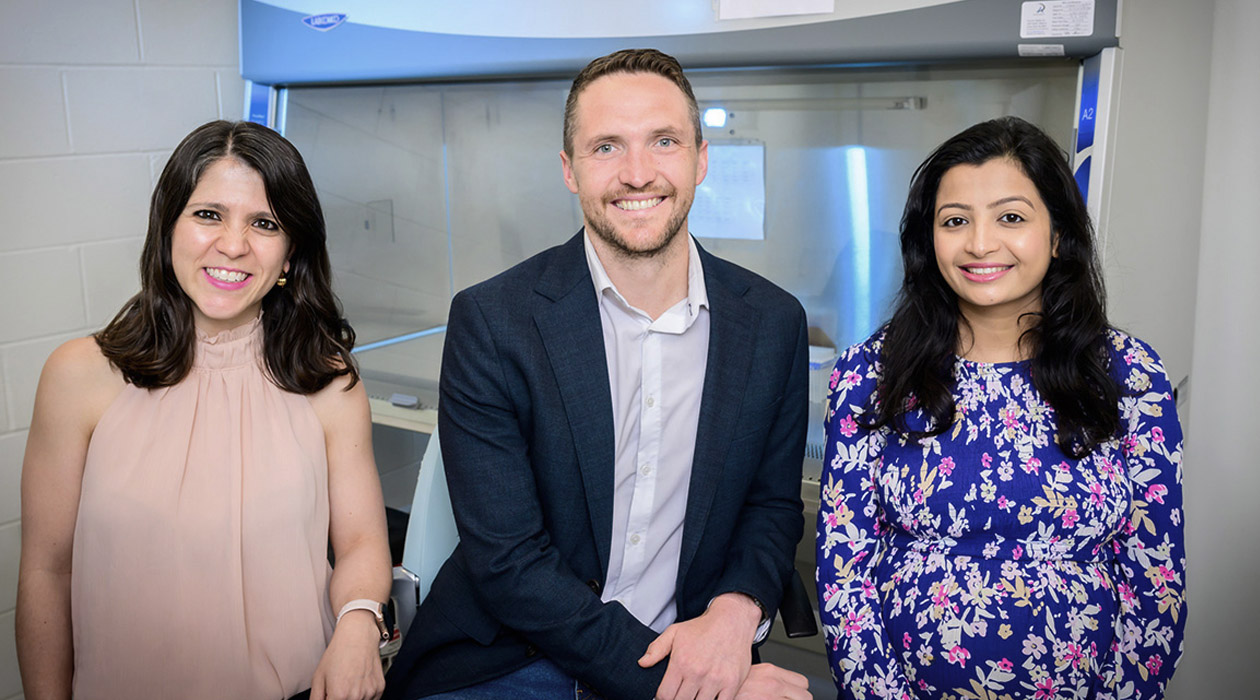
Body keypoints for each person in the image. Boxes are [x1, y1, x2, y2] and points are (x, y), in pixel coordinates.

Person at [383, 49, 812, 700]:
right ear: (570, 170)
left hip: (688, 639)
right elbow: (508, 562)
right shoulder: (493, 321)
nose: (638, 174)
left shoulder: (773, 323)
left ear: (700, 157)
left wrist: (735, 615)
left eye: (663, 141)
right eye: (607, 146)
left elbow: (771, 507)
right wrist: (683, 686)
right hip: (511, 658)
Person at [16, 120, 393, 700]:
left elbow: (363, 545)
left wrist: (359, 624)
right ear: (168, 228)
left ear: (292, 250)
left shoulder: (327, 379)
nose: (234, 245)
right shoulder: (78, 376)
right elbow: (47, 571)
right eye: (208, 214)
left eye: (264, 224)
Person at [816, 116, 1186, 700]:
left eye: (1010, 217)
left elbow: (1155, 571)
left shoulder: (1129, 375)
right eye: (955, 220)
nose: (980, 243)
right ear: (927, 238)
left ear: (1058, 234)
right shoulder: (873, 373)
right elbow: (845, 566)